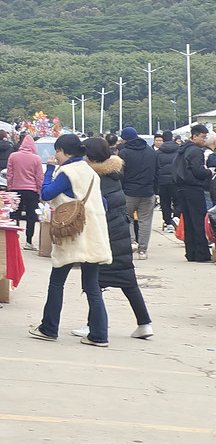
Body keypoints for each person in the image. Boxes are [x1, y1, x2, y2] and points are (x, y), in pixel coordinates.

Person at [28, 134, 112, 347]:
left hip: (72, 233)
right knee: (92, 286)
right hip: (92, 233)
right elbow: (102, 202)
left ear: (66, 152)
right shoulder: (91, 172)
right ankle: (99, 334)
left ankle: (49, 328)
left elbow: (46, 193)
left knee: (57, 282)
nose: (55, 156)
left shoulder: (67, 172)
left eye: (57, 151)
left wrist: (48, 171)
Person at [70, 137, 153, 340]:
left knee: (94, 283)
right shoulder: (114, 174)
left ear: (88, 156)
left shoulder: (94, 179)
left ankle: (93, 326)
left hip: (104, 236)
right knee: (128, 282)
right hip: (120, 234)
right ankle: (145, 324)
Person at [172, 124, 212, 263]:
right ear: (195, 136)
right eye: (203, 137)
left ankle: (191, 252)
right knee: (198, 221)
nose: (204, 140)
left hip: (182, 188)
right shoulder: (196, 151)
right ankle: (201, 253)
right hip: (194, 188)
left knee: (188, 221)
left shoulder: (182, 149)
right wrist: (209, 172)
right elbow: (197, 170)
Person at [117, 127, 158, 260]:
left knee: (126, 219)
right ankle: (143, 250)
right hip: (148, 191)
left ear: (124, 139)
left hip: (129, 192)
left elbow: (120, 174)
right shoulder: (151, 152)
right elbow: (157, 172)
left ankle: (132, 242)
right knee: (145, 221)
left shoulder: (124, 153)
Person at [6, 135, 43, 249]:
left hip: (16, 189)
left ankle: (13, 239)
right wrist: (40, 190)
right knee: (31, 216)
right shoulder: (37, 159)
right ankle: (28, 241)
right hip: (31, 191)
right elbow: (39, 177)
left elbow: (9, 174)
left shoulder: (13, 156)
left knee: (14, 214)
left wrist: (10, 187)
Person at [155, 130, 178, 231]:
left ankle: (167, 222)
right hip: (176, 180)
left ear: (163, 139)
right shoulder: (179, 150)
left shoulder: (158, 153)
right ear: (172, 138)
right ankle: (177, 219)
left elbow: (156, 167)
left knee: (165, 202)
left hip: (162, 181)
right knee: (178, 201)